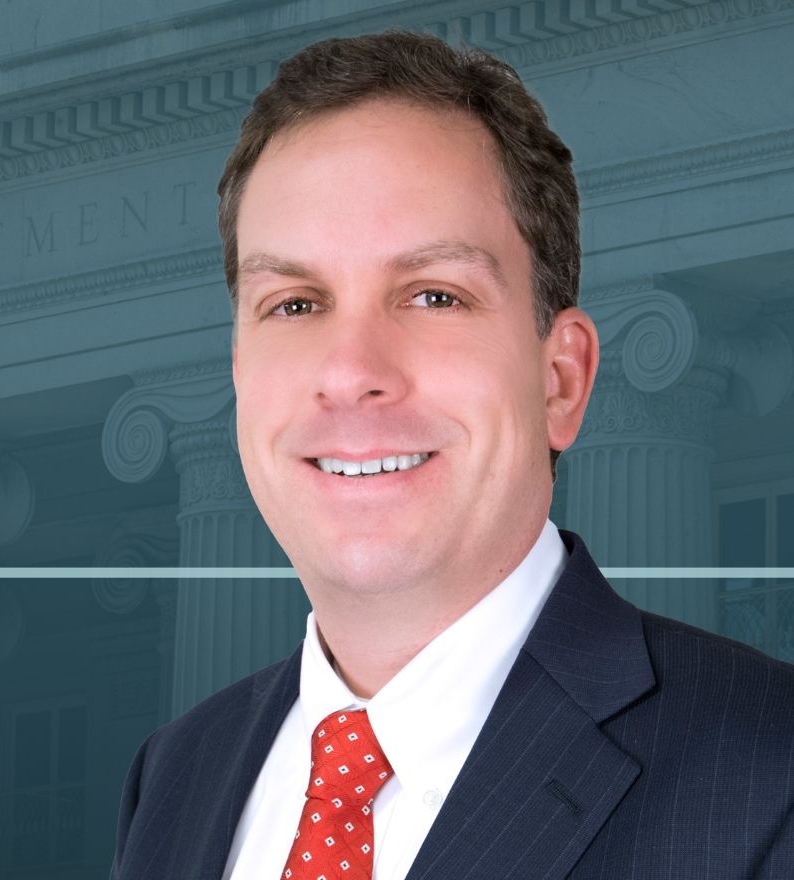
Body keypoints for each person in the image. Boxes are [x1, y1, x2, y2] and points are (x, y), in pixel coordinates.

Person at [108, 29, 794, 880]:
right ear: (241, 373)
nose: (351, 373)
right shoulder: (177, 776)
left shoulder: (769, 772)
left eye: (434, 294)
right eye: (294, 304)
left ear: (561, 380)